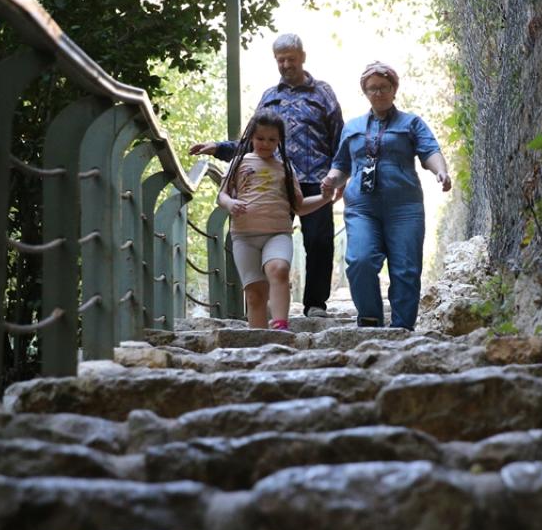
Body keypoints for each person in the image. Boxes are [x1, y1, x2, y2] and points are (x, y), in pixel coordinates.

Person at [191, 33, 344, 317]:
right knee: (268, 238)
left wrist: (340, 177)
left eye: (291, 59)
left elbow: (339, 138)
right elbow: (253, 140)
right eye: (280, 60)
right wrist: (219, 148)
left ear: (302, 57)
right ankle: (266, 306)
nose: (286, 65)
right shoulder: (270, 96)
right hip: (273, 180)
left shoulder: (323, 93)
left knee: (319, 241)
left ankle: (315, 304)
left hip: (315, 177)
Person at [320, 61, 451, 330]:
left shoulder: (411, 123)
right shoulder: (352, 127)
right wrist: (331, 179)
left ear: (394, 89)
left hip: (404, 207)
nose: (378, 93)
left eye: (383, 87)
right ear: (365, 92)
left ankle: (401, 328)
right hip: (362, 207)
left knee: (406, 268)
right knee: (360, 260)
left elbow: (430, 151)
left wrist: (441, 171)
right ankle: (370, 322)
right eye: (372, 88)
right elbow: (341, 165)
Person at [218, 110, 336, 330]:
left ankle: (280, 326)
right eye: (260, 138)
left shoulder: (285, 168)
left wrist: (325, 198)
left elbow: (299, 206)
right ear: (251, 137)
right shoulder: (238, 163)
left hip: (277, 233)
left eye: (272, 140)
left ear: (280, 141)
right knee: (255, 294)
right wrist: (230, 203)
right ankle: (260, 339)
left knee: (279, 269)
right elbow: (222, 195)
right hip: (244, 236)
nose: (266, 144)